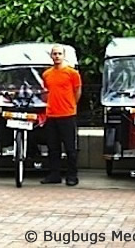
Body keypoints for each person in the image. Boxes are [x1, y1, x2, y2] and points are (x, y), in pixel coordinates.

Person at [40, 45, 82, 186]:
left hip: (67, 114)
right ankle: (54, 174)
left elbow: (77, 91)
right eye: (54, 54)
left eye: (59, 53)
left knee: (70, 147)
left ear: (64, 55)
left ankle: (72, 175)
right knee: (53, 147)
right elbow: (46, 92)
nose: (57, 56)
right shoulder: (46, 74)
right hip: (51, 114)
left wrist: (71, 105)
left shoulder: (72, 73)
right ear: (51, 56)